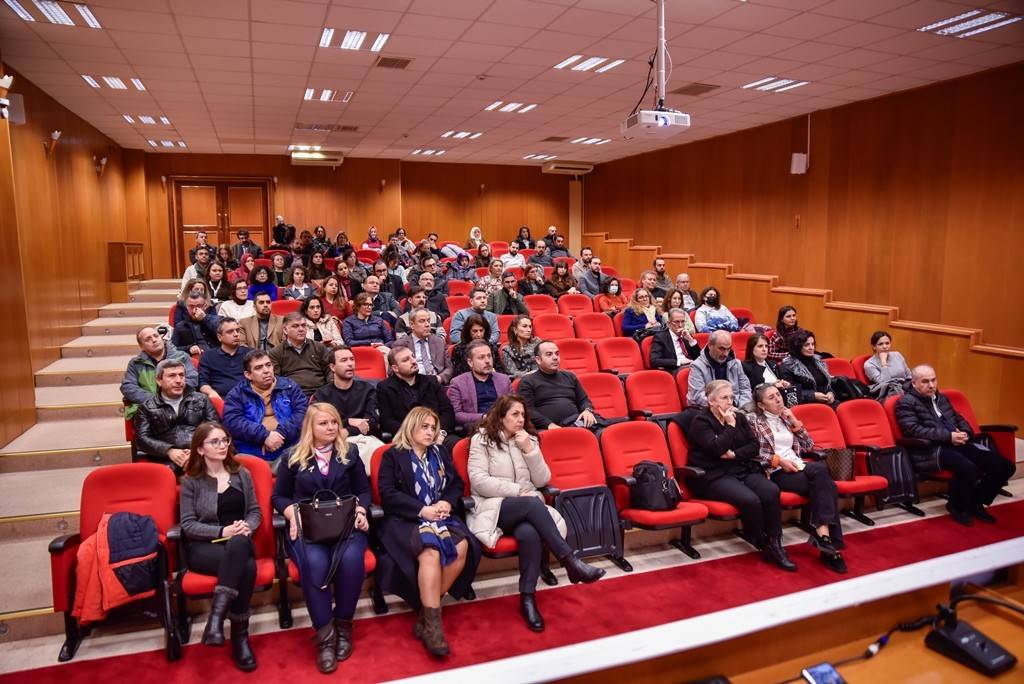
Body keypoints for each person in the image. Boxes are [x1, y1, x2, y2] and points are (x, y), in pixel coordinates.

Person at [467, 396, 604, 631]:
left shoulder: (529, 440)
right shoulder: (482, 440)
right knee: (531, 504)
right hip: (494, 507)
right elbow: (478, 482)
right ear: (500, 417)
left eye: (523, 415)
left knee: (529, 533)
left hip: (529, 511)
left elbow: (542, 480)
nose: (521, 420)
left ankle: (527, 598)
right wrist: (518, 491)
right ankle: (569, 560)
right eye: (515, 415)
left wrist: (529, 450)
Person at [272, 404, 371, 673]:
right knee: (315, 566)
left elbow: (363, 490)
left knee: (351, 561)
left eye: (334, 423)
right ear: (310, 428)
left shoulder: (349, 452)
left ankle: (343, 625)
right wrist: (291, 513)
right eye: (324, 423)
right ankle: (325, 637)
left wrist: (361, 509)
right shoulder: (292, 457)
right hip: (308, 529)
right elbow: (279, 496)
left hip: (346, 526)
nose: (330, 428)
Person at [375, 407, 481, 656]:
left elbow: (456, 483)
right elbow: (388, 495)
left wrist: (446, 502)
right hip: (406, 520)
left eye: (433, 427)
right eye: (424, 426)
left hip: (441, 515)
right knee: (430, 550)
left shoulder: (440, 452)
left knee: (462, 545)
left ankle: (426, 614)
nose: (430, 432)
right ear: (411, 426)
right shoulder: (393, 455)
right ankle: (434, 628)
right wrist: (423, 510)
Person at [684, 380, 794, 570]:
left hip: (740, 468)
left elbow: (754, 446)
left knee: (770, 490)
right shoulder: (701, 422)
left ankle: (776, 542)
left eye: (732, 397)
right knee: (750, 500)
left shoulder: (739, 417)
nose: (730, 402)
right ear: (711, 401)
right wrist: (730, 426)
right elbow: (717, 449)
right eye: (724, 398)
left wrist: (734, 454)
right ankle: (763, 541)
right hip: (712, 476)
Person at [179, 422, 261, 671]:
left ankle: (217, 621)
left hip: (240, 541)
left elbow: (255, 511)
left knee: (239, 544)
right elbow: (188, 525)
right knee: (246, 567)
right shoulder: (191, 481)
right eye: (215, 441)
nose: (222, 445)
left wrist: (248, 526)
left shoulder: (241, 473)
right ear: (200, 449)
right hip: (205, 547)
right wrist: (221, 531)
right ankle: (240, 636)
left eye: (225, 440)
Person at [895, 365, 1014, 526]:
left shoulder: (940, 398)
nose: (931, 385)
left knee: (1004, 466)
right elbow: (913, 430)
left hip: (957, 442)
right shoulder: (906, 402)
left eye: (933, 380)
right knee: (969, 468)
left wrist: (965, 432)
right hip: (931, 449)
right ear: (914, 383)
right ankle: (956, 507)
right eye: (925, 381)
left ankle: (975, 502)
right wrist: (949, 436)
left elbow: (958, 418)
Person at [751, 384, 847, 573]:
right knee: (826, 483)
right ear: (761, 405)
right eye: (771, 397)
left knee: (821, 477)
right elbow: (753, 453)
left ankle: (825, 541)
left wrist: (795, 422)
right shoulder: (753, 421)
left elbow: (809, 445)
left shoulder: (786, 418)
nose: (778, 399)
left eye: (778, 395)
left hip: (800, 467)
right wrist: (779, 460)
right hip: (777, 472)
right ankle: (829, 545)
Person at [222, 350, 307, 468]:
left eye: (268, 365)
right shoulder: (237, 394)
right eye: (258, 368)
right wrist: (264, 436)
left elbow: (301, 414)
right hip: (252, 451)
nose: (266, 371)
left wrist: (280, 434)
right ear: (248, 375)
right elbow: (233, 422)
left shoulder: (289, 387)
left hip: (289, 447)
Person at [135, 359, 219, 471]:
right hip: (165, 459)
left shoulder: (201, 399)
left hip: (201, 453)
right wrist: (169, 451)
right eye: (172, 376)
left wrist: (197, 450)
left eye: (181, 375)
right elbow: (142, 438)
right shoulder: (146, 407)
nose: (179, 380)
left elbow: (215, 427)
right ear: (159, 380)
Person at [313, 347, 385, 473]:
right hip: (335, 441)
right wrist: (350, 421)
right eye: (344, 360)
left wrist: (346, 429)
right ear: (332, 367)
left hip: (365, 439)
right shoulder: (322, 394)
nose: (350, 363)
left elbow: (372, 422)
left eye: (352, 359)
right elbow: (321, 425)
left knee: (384, 457)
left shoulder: (368, 389)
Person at [377, 347, 457, 447]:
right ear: (395, 368)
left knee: (458, 445)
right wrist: (414, 435)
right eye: (406, 360)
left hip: (437, 435)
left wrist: (440, 433)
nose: (413, 361)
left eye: (413, 356)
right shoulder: (385, 388)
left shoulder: (431, 381)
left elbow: (447, 411)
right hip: (407, 438)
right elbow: (387, 421)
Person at [518, 340, 597, 430]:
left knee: (606, 431)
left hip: (577, 424)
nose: (555, 357)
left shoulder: (570, 376)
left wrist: (587, 410)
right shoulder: (528, 381)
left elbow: (584, 400)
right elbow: (528, 410)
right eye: (549, 354)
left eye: (557, 354)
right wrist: (548, 424)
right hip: (547, 429)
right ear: (538, 360)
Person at [121, 327, 197, 419]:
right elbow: (128, 387)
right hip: (151, 410)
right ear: (142, 347)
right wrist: (156, 400)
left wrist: (172, 397)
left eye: (156, 336)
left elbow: (192, 379)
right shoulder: (135, 363)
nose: (154, 340)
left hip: (181, 404)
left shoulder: (182, 357)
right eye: (148, 339)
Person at [447, 340, 512, 430]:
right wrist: (484, 417)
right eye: (481, 358)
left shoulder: (504, 379)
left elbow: (513, 405)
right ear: (470, 362)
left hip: (504, 425)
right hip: (478, 426)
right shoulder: (458, 383)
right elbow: (457, 414)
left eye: (489, 356)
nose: (487, 361)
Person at [269, 313, 333, 396]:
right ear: (285, 330)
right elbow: (275, 379)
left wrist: (329, 389)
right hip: (292, 395)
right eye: (295, 326)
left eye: (303, 325)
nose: (301, 329)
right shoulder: (276, 352)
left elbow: (329, 371)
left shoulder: (318, 347)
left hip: (320, 393)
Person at [686, 330, 753, 409]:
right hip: (710, 410)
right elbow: (697, 397)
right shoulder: (697, 366)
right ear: (710, 345)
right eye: (722, 349)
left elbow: (745, 389)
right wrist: (724, 407)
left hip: (737, 409)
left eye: (728, 349)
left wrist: (742, 409)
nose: (725, 354)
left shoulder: (736, 364)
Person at [391, 308, 454, 384]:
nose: (427, 325)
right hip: (412, 385)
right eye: (422, 321)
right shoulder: (400, 345)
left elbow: (449, 368)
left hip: (436, 384)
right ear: (412, 325)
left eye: (428, 321)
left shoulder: (439, 342)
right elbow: (392, 372)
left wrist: (440, 378)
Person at [198, 318, 252, 401]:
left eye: (237, 330)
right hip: (220, 400)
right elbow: (202, 382)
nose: (236, 334)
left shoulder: (250, 354)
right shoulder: (208, 356)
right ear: (219, 337)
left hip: (249, 398)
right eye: (230, 332)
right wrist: (211, 392)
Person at [778, 330, 836, 407]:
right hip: (806, 405)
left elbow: (827, 384)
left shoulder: (818, 362)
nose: (811, 348)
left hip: (826, 402)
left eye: (812, 344)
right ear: (797, 347)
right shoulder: (787, 366)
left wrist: (831, 393)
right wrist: (813, 396)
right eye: (806, 345)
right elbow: (791, 393)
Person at [742, 333, 795, 405]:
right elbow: (753, 390)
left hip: (780, 400)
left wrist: (785, 384)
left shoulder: (773, 364)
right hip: (761, 404)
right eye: (760, 346)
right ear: (752, 349)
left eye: (766, 346)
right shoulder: (745, 367)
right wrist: (774, 386)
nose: (764, 349)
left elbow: (780, 380)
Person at [649, 308, 700, 375]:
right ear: (668, 324)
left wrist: (691, 340)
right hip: (675, 369)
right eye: (677, 322)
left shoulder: (687, 335)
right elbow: (654, 360)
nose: (680, 325)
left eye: (683, 321)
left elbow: (700, 357)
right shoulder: (661, 337)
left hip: (692, 367)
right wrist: (679, 362)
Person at [864, 330, 912, 399]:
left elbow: (909, 375)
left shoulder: (897, 355)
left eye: (887, 343)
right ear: (874, 347)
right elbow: (885, 384)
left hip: (906, 388)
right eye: (880, 344)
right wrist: (884, 363)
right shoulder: (869, 364)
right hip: (889, 394)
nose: (885, 346)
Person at [173, 290, 221, 356]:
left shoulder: (216, 320)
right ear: (186, 307)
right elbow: (172, 349)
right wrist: (188, 348)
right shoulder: (180, 326)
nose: (194, 310)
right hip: (195, 359)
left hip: (218, 356)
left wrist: (205, 319)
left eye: (199, 306)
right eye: (191, 306)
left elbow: (223, 333)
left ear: (205, 306)